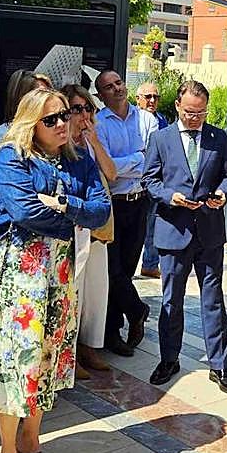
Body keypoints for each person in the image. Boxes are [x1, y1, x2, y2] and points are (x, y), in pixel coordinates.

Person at [0, 87, 111, 453]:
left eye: (65, 115)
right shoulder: (11, 156)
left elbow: (101, 210)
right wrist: (73, 218)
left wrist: (65, 206)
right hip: (17, 276)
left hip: (59, 275)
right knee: (14, 364)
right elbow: (24, 211)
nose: (63, 124)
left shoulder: (79, 158)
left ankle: (31, 441)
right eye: (51, 119)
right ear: (32, 123)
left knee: (47, 359)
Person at [142, 79, 227, 392]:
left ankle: (220, 366)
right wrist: (170, 197)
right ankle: (169, 360)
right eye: (189, 113)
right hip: (174, 229)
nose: (195, 118)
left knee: (213, 300)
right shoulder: (161, 139)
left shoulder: (218, 138)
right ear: (177, 107)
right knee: (172, 300)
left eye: (200, 113)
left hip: (209, 231)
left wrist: (223, 194)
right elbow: (149, 180)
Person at [94, 70, 159, 356]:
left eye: (119, 83)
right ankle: (136, 311)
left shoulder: (147, 120)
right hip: (113, 204)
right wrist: (137, 159)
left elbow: (153, 163)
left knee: (127, 271)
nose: (117, 89)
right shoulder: (98, 124)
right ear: (101, 95)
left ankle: (115, 331)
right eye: (109, 87)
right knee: (112, 271)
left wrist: (122, 164)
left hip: (139, 202)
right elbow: (107, 170)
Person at [62, 82, 116, 378]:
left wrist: (94, 142)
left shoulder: (91, 141)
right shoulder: (59, 143)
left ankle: (89, 347)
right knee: (75, 294)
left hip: (97, 227)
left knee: (96, 292)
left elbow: (112, 173)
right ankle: (70, 354)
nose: (84, 115)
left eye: (88, 108)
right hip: (74, 228)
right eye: (77, 109)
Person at [0, 70, 54, 254]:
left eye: (49, 93)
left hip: (46, 238)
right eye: (38, 94)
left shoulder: (51, 134)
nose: (46, 100)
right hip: (8, 238)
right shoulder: (5, 134)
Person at [137, 80, 167, 279]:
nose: (152, 100)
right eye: (148, 96)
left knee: (153, 224)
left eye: (156, 97)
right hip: (135, 183)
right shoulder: (134, 120)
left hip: (157, 181)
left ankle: (150, 263)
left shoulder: (162, 120)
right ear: (137, 99)